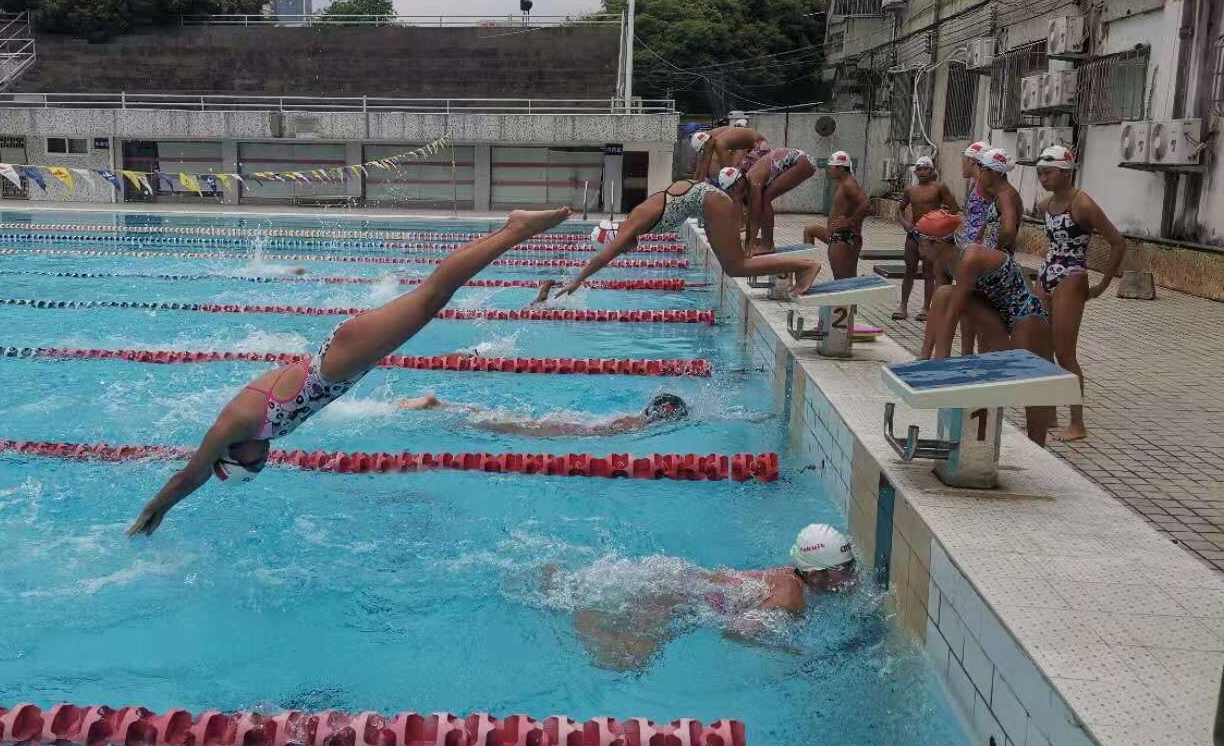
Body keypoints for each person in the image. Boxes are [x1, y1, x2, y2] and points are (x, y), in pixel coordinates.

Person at [126, 207, 573, 536]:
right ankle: (513, 230)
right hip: (346, 364)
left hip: (340, 359)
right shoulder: (255, 433)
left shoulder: (238, 421)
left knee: (433, 295)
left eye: (249, 468)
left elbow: (192, 473)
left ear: (232, 454)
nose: (260, 464)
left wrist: (155, 510)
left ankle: (516, 230)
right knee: (432, 297)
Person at [546, 524, 858, 672]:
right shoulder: (791, 596)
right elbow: (737, 630)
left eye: (851, 567)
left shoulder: (791, 575)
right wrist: (787, 650)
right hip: (674, 597)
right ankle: (575, 612)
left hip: (680, 581)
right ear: (815, 574)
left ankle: (566, 587)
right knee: (627, 662)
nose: (851, 578)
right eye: (843, 570)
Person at [554, 167, 821, 298]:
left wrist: (578, 280)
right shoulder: (633, 221)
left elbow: (603, 258)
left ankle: (806, 265)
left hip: (709, 201)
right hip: (707, 202)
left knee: (737, 267)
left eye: (619, 248)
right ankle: (799, 266)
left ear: (613, 238)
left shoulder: (631, 225)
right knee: (737, 264)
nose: (625, 251)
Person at [914, 205, 1055, 446]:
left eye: (920, 242)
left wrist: (941, 369)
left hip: (1026, 314)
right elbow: (942, 306)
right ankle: (924, 356)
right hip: (997, 314)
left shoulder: (969, 259)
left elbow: (953, 315)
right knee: (944, 293)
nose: (917, 249)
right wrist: (930, 358)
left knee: (1030, 385)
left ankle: (1038, 446)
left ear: (936, 243)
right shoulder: (942, 262)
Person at [1032, 145, 1126, 442]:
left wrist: (1103, 285)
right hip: (1047, 271)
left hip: (1072, 275)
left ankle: (1078, 423)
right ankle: (1049, 414)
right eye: (1039, 173)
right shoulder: (1046, 204)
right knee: (1041, 349)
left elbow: (1118, 242)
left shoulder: (1082, 204)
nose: (1042, 178)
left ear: (1065, 172)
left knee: (1065, 354)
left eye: (1047, 173)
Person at [955, 143, 1022, 354]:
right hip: (990, 263)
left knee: (989, 321)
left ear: (993, 172)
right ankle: (982, 364)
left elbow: (1009, 228)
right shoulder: (1001, 195)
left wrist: (993, 251)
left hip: (995, 267)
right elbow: (991, 223)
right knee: (984, 319)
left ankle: (987, 366)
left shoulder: (1007, 195)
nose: (980, 173)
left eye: (982, 169)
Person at [398, 392, 688, 437]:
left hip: (565, 426)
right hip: (561, 431)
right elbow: (596, 432)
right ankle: (440, 406)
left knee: (498, 420)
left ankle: (442, 406)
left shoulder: (631, 419)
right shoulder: (631, 425)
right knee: (499, 425)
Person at [894, 154, 959, 321]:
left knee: (929, 273)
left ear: (932, 171)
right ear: (915, 172)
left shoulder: (939, 188)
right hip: (914, 234)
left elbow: (953, 208)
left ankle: (925, 307)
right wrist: (905, 223)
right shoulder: (910, 190)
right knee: (909, 270)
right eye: (920, 169)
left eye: (926, 169)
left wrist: (938, 222)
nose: (922, 172)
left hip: (931, 237)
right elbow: (899, 209)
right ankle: (903, 306)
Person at [803, 151, 870, 279]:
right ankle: (808, 271)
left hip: (844, 238)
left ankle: (853, 297)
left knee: (842, 281)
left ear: (840, 168)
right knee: (809, 230)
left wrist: (849, 221)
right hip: (836, 234)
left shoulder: (848, 184)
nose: (828, 170)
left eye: (831, 167)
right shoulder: (841, 182)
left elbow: (866, 204)